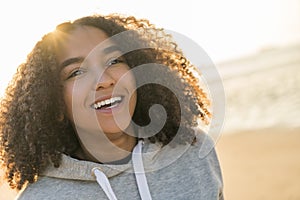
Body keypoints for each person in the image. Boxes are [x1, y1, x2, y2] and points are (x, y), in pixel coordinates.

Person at [0, 14, 223, 199]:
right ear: (54, 104)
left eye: (114, 61)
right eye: (77, 72)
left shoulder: (193, 151)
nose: (104, 80)